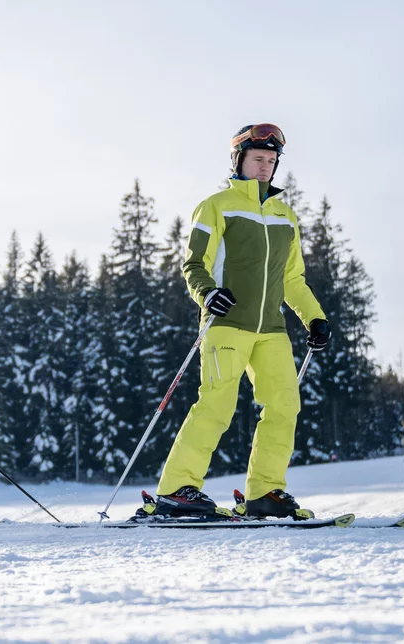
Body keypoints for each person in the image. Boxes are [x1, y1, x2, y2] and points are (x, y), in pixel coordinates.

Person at [137, 123, 332, 521]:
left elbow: (291, 279)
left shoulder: (284, 215)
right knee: (216, 405)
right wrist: (208, 293)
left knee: (284, 405)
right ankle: (176, 490)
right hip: (226, 324)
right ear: (239, 161)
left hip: (271, 329)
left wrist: (315, 317)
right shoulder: (217, 206)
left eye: (271, 161)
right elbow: (194, 264)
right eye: (258, 159)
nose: (265, 167)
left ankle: (265, 492)